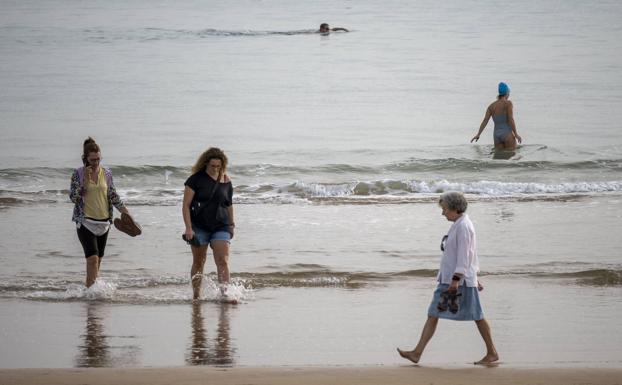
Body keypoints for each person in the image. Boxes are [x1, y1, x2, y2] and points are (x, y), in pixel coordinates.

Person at [397, 192, 499, 365]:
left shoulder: (464, 226)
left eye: (444, 209)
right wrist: (472, 275)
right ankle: (417, 352)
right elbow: (468, 256)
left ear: (454, 208)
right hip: (453, 279)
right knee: (433, 313)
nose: (442, 213)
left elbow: (465, 256)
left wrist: (457, 280)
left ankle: (492, 352)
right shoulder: (459, 224)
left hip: (457, 281)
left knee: (477, 315)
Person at [69, 137, 130, 288]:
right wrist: (83, 183)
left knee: (98, 261)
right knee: (92, 259)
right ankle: (90, 293)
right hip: (85, 222)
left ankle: (92, 292)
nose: (96, 162)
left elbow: (113, 195)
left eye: (98, 159)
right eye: (92, 160)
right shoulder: (78, 174)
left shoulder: (107, 174)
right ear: (86, 159)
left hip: (104, 223)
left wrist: (125, 212)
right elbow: (73, 197)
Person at [182, 147, 235, 300]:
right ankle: (196, 295)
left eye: (219, 166)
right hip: (199, 227)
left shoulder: (226, 179)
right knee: (199, 262)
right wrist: (189, 228)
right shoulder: (195, 180)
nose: (215, 169)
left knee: (222, 260)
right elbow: (186, 205)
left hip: (221, 226)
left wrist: (232, 224)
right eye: (212, 166)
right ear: (206, 163)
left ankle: (225, 294)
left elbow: (229, 204)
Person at [471, 82, 522, 150]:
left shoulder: (491, 106)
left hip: (496, 136)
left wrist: (478, 134)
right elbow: (510, 119)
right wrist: (516, 134)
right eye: (509, 93)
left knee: (498, 158)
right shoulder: (508, 103)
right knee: (512, 155)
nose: (509, 95)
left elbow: (485, 121)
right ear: (507, 93)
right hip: (507, 133)